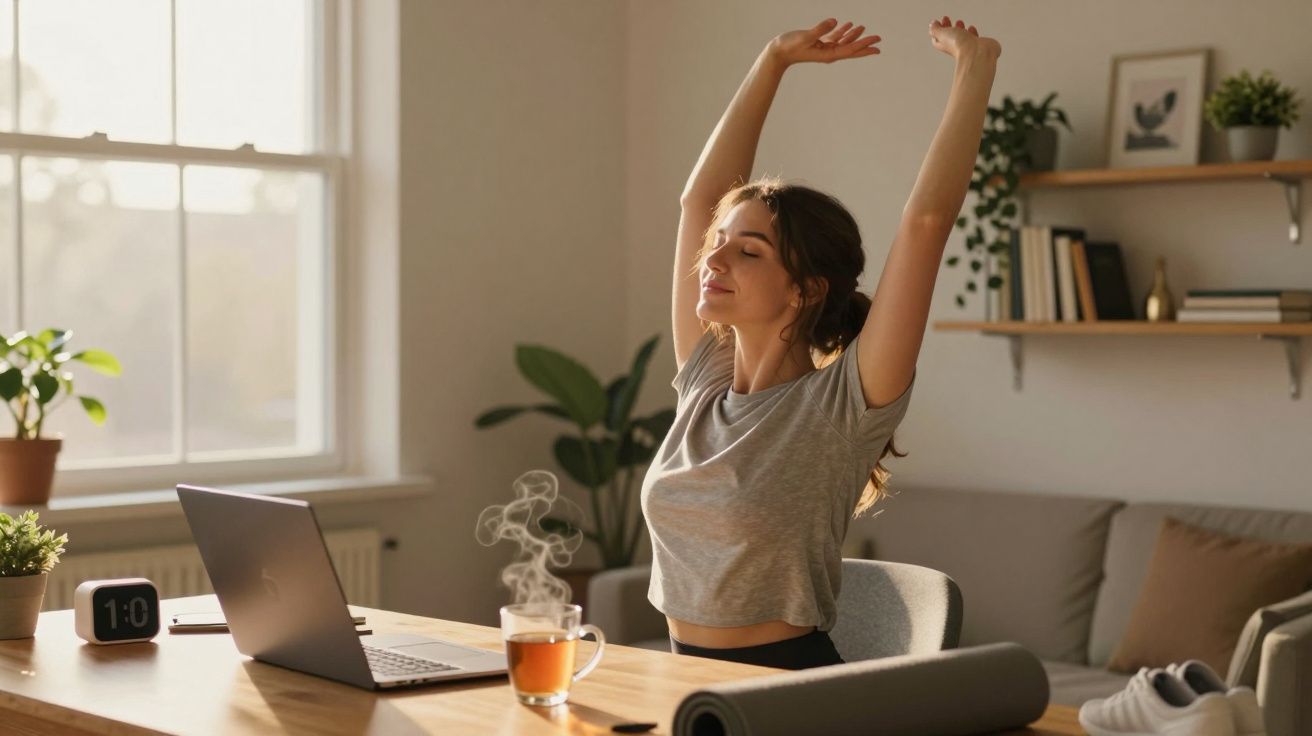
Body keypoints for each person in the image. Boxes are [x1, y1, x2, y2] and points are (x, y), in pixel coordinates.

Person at [638, 16, 1001, 670]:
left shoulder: (841, 405)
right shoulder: (705, 382)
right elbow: (699, 202)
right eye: (720, 244)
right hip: (683, 677)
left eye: (749, 251)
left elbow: (925, 223)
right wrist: (773, 61)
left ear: (804, 290)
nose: (713, 259)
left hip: (788, 688)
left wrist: (975, 67)